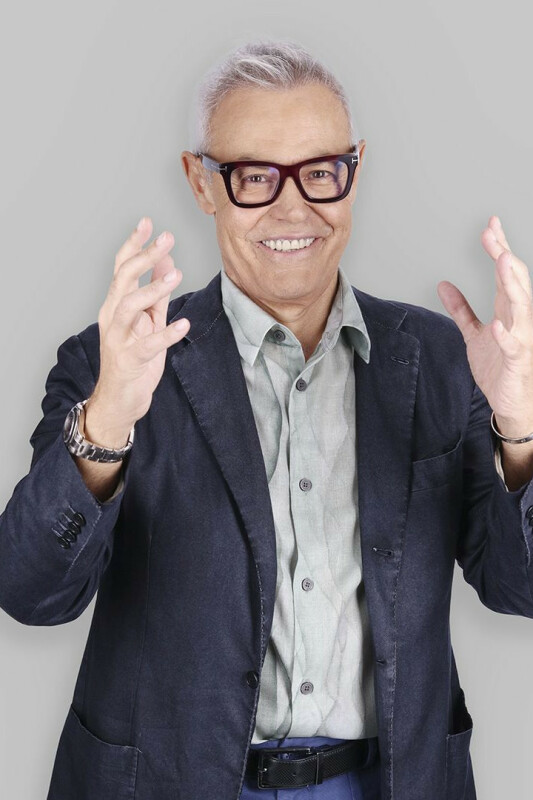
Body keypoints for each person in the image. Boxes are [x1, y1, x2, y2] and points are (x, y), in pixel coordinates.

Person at [1, 38, 533, 800]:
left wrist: (517, 422)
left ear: (354, 171)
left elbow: (519, 588)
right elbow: (31, 594)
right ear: (202, 182)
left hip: (388, 783)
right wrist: (109, 418)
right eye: (254, 176)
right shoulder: (114, 362)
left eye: (320, 172)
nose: (292, 207)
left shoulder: (445, 359)